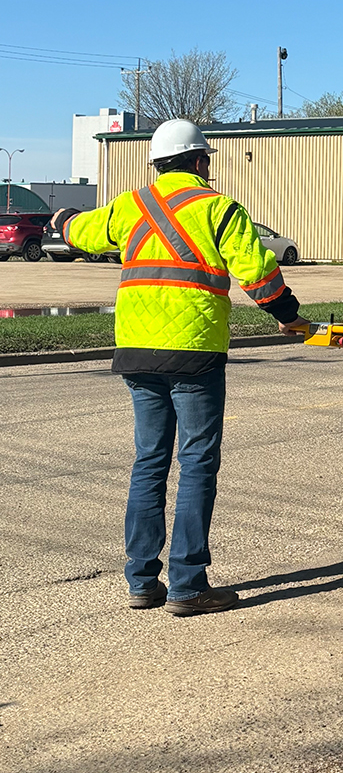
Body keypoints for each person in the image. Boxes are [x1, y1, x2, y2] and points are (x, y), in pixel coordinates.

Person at [52, 119, 309, 616]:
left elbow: (80, 231)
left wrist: (63, 218)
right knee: (195, 464)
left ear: (156, 163)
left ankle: (142, 582)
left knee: (149, 462)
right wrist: (289, 316)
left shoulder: (131, 205)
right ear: (198, 162)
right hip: (194, 354)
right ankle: (189, 585)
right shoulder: (218, 208)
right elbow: (257, 273)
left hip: (135, 350)